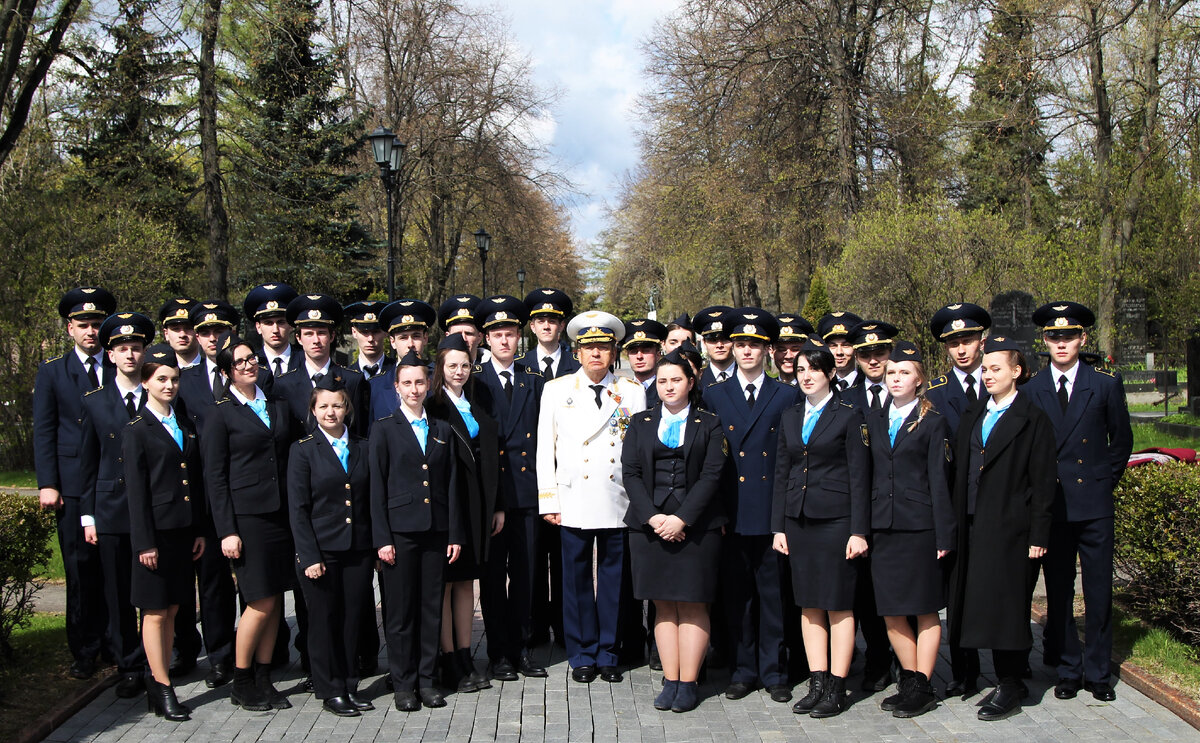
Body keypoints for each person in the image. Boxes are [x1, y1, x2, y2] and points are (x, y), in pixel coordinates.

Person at [1024, 302, 1132, 703]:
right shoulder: (1032, 389)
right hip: (1055, 506)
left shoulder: (1104, 383)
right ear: (1045, 341)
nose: (1061, 342)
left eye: (1069, 335)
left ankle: (1099, 672)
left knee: (1100, 591)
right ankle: (1069, 669)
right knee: (1059, 591)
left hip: (1094, 505)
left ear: (1082, 338)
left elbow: (1120, 442)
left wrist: (1104, 483)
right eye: (1053, 336)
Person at [948, 335, 1056, 721]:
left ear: (1017, 371)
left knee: (1008, 606)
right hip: (973, 524)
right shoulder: (974, 414)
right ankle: (977, 674)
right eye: (985, 369)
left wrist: (1039, 536)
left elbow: (1043, 482)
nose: (988, 375)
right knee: (978, 601)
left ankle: (1011, 681)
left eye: (996, 368)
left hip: (1012, 529)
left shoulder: (1033, 419)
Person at [538, 310, 646, 684]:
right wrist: (548, 499)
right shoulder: (557, 390)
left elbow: (640, 451)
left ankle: (608, 651)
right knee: (576, 578)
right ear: (577, 352)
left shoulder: (632, 391)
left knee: (615, 580)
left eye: (603, 347)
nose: (596, 354)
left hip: (618, 497)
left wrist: (641, 501)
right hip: (574, 497)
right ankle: (581, 652)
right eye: (589, 348)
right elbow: (544, 449)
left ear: (614, 351)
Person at [703, 308, 799, 703]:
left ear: (767, 351)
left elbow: (791, 459)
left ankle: (774, 671)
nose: (746, 351)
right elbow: (711, 462)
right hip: (732, 511)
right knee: (736, 596)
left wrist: (783, 517)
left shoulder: (787, 393)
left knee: (773, 596)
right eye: (740, 344)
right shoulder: (712, 394)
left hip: (770, 509)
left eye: (754, 345)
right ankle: (743, 670)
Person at [622, 350, 726, 712]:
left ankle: (689, 681)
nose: (669, 386)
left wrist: (682, 519)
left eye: (676, 380)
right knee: (663, 605)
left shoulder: (710, 424)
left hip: (696, 528)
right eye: (663, 380)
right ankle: (670, 678)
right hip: (649, 528)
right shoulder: (640, 422)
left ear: (691, 382)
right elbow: (631, 474)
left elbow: (713, 475)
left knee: (694, 604)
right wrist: (653, 518)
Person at [771, 336, 869, 718]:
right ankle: (816, 681)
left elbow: (860, 477)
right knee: (809, 604)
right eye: (800, 370)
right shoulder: (790, 416)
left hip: (838, 521)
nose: (806, 376)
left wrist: (859, 530)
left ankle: (838, 685)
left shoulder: (848, 414)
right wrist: (778, 526)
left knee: (839, 605)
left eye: (814, 369)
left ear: (831, 373)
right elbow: (783, 471)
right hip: (798, 521)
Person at [203, 333, 299, 712]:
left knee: (275, 598)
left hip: (280, 515)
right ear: (227, 371)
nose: (249, 365)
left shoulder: (276, 404)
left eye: (252, 359)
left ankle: (263, 676)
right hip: (246, 518)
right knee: (257, 600)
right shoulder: (219, 412)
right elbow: (215, 476)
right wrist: (226, 529)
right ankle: (241, 680)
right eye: (240, 361)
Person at [863, 340, 954, 718]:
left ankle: (923, 682)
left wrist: (944, 534)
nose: (896, 378)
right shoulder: (875, 418)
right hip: (883, 525)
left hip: (920, 527)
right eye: (892, 373)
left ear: (920, 380)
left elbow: (940, 479)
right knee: (892, 609)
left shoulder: (933, 421)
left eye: (905, 373)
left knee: (924, 608)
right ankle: (910, 679)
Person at [370, 350, 465, 711]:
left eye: (420, 382)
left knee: (429, 609)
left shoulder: (441, 428)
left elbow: (452, 485)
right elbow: (375, 489)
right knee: (399, 612)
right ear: (396, 387)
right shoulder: (383, 429)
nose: (414, 389)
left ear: (429, 384)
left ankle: (427, 680)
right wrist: (382, 539)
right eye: (407, 383)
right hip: (399, 535)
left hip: (436, 532)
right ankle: (403, 683)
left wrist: (454, 533)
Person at [33, 286, 117, 680]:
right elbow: (44, 431)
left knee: (113, 569)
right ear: (69, 328)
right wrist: (47, 483)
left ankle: (117, 644)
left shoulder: (119, 367)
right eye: (83, 324)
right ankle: (84, 649)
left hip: (110, 482)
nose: (91, 331)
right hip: (69, 486)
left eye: (97, 324)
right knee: (80, 571)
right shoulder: (53, 372)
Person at [124, 344, 207, 721]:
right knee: (155, 612)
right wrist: (144, 542)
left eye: (174, 379)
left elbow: (195, 480)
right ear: (146, 383)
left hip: (181, 532)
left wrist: (198, 529)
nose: (170, 385)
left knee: (173, 607)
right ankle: (160, 685)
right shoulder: (137, 430)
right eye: (161, 379)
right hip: (154, 536)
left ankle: (161, 681)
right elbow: (136, 491)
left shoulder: (183, 423)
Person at [287, 375, 375, 717]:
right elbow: (298, 508)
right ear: (313, 409)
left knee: (353, 618)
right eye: (323, 405)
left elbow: (370, 501)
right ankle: (329, 688)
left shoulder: (363, 447)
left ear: (347, 407)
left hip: (357, 548)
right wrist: (309, 555)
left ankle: (349, 683)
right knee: (324, 620)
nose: (330, 411)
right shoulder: (303, 450)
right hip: (320, 551)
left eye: (337, 404)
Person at [79, 312, 157, 699]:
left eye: (136, 348)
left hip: (154, 512)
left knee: (154, 592)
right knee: (118, 593)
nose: (130, 354)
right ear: (109, 355)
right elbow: (87, 462)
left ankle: (159, 660)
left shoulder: (159, 395)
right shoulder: (94, 402)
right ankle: (129, 665)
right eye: (122, 349)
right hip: (111, 511)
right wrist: (88, 515)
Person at [475, 295, 549, 681]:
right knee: (491, 579)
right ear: (487, 339)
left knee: (526, 576)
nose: (504, 341)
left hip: (526, 493)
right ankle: (498, 652)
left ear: (520, 337)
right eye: (497, 334)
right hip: (491, 497)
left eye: (510, 334)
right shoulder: (474, 383)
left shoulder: (534, 382)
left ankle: (521, 648)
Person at [425, 333, 500, 694]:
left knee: (466, 582)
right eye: (452, 365)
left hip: (479, 505)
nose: (459, 371)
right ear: (440, 367)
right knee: (445, 583)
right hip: (448, 505)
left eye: (465, 365)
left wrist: (497, 505)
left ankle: (466, 652)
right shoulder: (433, 406)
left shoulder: (476, 401)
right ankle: (449, 656)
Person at [924, 302, 991, 695]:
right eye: (953, 343)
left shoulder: (1004, 383)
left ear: (981, 340)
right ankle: (964, 670)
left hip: (997, 505)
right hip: (953, 505)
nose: (961, 349)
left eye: (967, 340)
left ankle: (1009, 667)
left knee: (998, 587)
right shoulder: (934, 393)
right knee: (957, 592)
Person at [173, 299, 240, 685]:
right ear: (196, 336)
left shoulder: (249, 373)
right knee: (206, 578)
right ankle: (202, 651)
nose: (214, 338)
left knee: (229, 581)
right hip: (200, 492)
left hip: (242, 489)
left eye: (221, 331)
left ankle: (225, 653)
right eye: (205, 332)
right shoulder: (185, 380)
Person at [843, 319, 899, 691]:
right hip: (858, 505)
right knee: (864, 592)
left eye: (880, 352)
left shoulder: (907, 389)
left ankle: (908, 662)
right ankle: (877, 658)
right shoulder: (846, 397)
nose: (873, 359)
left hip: (901, 507)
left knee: (899, 588)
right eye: (865, 353)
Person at [519, 288, 577, 651]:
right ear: (531, 325)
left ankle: (567, 627)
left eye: (553, 320)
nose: (546, 325)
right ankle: (536, 626)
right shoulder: (519, 363)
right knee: (533, 558)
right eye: (540, 319)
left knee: (568, 559)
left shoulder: (578, 363)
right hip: (529, 477)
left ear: (562, 325)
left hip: (571, 477)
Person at [275, 294, 369, 437]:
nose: (316, 340)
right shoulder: (284, 384)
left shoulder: (353, 381)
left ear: (332, 336)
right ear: (298, 338)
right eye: (308, 334)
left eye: (321, 333)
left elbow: (360, 431)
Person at [367, 299, 436, 422]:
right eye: (403, 337)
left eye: (416, 336)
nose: (410, 344)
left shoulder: (439, 381)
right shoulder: (375, 386)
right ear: (392, 342)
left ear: (425, 338)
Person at [244, 283, 301, 379]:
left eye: (281, 322)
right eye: (268, 323)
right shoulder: (250, 364)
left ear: (291, 325)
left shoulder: (305, 360)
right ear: (258, 327)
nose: (275, 330)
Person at [345, 300, 394, 380]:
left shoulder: (397, 372)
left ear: (385, 332)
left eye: (376, 332)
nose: (370, 339)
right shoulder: (345, 377)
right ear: (354, 332)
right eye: (364, 332)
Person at [623, 318, 667, 409]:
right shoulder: (621, 391)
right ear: (628, 356)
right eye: (634, 351)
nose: (639, 356)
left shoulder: (667, 390)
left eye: (646, 351)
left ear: (658, 355)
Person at [816, 312, 863, 392]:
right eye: (833, 346)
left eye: (845, 345)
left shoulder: (867, 383)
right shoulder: (818, 385)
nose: (839, 352)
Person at [694, 305, 734, 387]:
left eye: (725, 339)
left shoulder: (748, 377)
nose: (719, 345)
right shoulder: (696, 381)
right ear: (704, 343)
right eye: (713, 340)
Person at [772, 314, 815, 387]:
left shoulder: (816, 390)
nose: (788, 356)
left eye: (795, 350)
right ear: (771, 351)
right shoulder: (765, 390)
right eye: (782, 350)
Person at [158, 297, 201, 369]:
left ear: (198, 333)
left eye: (188, 328)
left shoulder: (213, 372)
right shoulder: (158, 372)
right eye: (176, 329)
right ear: (166, 334)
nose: (182, 335)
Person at [438, 294, 484, 361]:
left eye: (468, 333)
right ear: (448, 336)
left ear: (479, 337)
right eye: (457, 334)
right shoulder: (435, 370)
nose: (463, 339)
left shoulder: (493, 370)